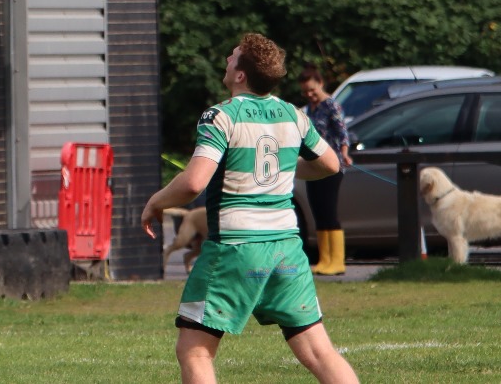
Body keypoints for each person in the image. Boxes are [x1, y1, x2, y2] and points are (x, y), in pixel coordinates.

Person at [140, 34, 360, 384]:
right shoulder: (293, 115)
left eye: (233, 56)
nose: (227, 60)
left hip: (236, 247)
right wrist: (284, 170)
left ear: (240, 75)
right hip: (286, 248)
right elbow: (330, 164)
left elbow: (194, 182)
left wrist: (156, 201)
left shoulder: (220, 116)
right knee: (320, 352)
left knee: (195, 351)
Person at [298, 64, 354, 276]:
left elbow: (342, 133)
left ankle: (337, 261)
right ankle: (324, 260)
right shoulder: (310, 109)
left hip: (332, 166)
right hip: (313, 165)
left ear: (321, 83)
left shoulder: (332, 105)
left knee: (329, 211)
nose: (309, 95)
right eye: (305, 92)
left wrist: (345, 153)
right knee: (318, 211)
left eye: (312, 90)